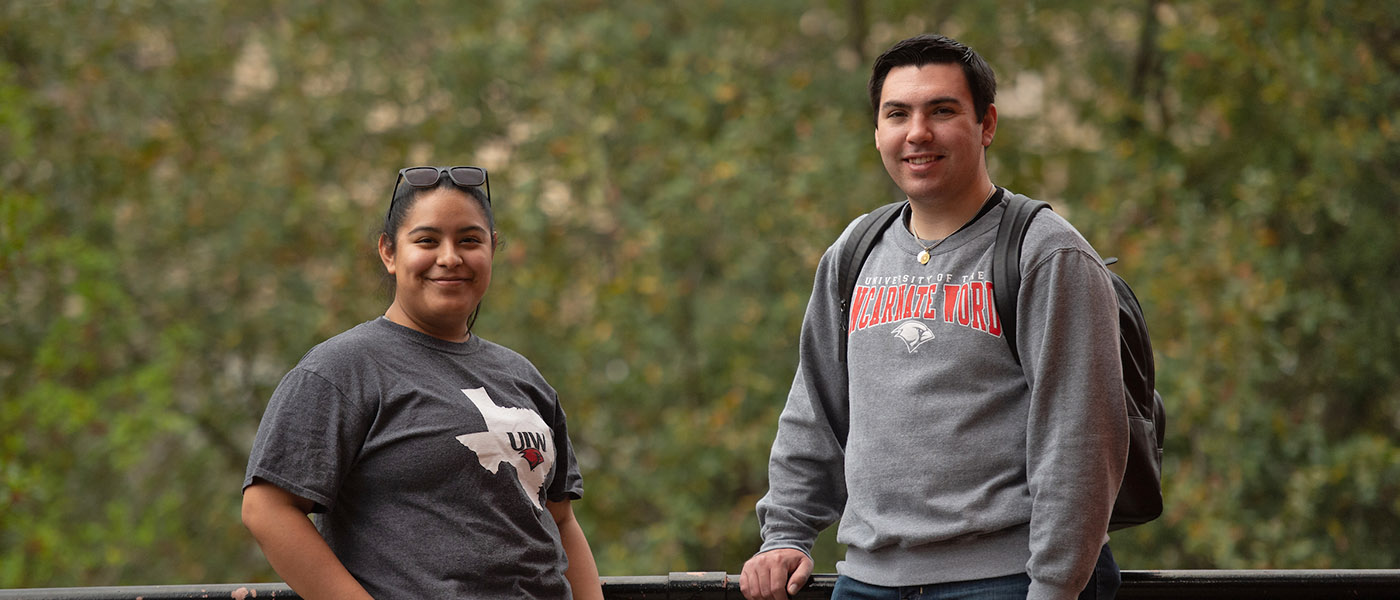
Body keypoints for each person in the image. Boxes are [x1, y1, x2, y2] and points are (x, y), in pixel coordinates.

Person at [739, 34, 1129, 600]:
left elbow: (1081, 443)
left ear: (986, 123)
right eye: (897, 113)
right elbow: (814, 411)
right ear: (878, 132)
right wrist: (786, 535)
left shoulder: (1045, 254)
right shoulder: (856, 251)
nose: (917, 132)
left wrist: (1052, 589)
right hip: (866, 581)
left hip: (1005, 581)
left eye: (942, 111)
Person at [241, 166, 603, 600]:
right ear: (389, 253)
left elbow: (560, 519)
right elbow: (267, 509)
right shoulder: (342, 369)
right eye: (427, 240)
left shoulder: (523, 377)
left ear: (492, 249)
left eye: (470, 240)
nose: (450, 257)